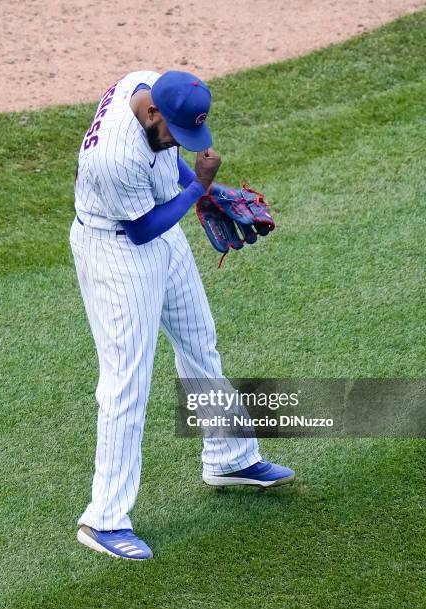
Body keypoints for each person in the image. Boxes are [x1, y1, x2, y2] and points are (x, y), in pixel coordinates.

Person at [69, 70, 295, 561]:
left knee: (199, 339)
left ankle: (229, 456)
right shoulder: (114, 157)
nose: (181, 141)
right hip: (115, 247)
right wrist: (200, 191)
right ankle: (104, 519)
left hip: (155, 225)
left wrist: (205, 189)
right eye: (175, 131)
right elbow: (142, 230)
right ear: (153, 115)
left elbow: (169, 166)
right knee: (126, 380)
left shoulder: (151, 86)